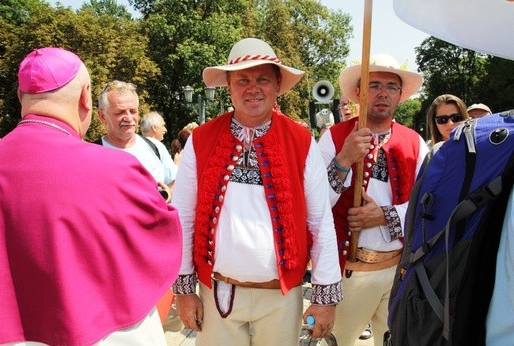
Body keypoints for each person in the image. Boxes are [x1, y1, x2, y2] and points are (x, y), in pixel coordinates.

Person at [0, 47, 182, 345]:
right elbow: (164, 237)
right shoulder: (117, 168)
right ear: (86, 97)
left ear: (20, 96)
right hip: (99, 333)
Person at [171, 37, 342, 346]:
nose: (252, 88)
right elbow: (183, 216)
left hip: (282, 295)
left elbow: (319, 221)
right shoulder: (201, 139)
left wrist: (324, 296)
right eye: (243, 79)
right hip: (216, 292)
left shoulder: (302, 141)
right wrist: (184, 291)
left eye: (262, 78)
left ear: (277, 85)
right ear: (228, 85)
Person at [317, 53, 429, 346]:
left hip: (397, 271)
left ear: (400, 96)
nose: (382, 93)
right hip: (348, 270)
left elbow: (429, 203)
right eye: (374, 85)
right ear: (358, 93)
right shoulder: (333, 137)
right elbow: (315, 203)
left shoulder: (415, 143)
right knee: (339, 341)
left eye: (391, 87)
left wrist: (385, 215)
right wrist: (343, 160)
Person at [97, 81, 177, 195]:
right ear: (102, 116)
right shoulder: (92, 153)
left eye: (133, 111)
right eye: (120, 112)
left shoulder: (155, 147)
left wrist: (167, 194)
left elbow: (176, 182)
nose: (129, 118)